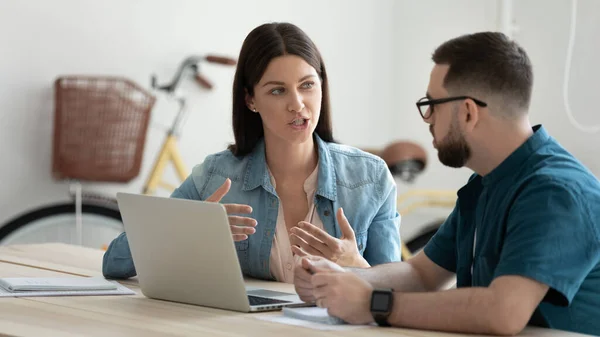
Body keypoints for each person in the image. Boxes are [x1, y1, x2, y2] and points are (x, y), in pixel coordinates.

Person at [293, 32, 600, 336]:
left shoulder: (556, 192)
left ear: (468, 111)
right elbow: (421, 274)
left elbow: (503, 312)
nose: (427, 119)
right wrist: (334, 278)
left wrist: (374, 303)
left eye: (432, 105)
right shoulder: (484, 184)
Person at [102, 22, 401, 283]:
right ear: (250, 100)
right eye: (277, 90)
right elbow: (114, 262)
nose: (297, 104)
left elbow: (396, 291)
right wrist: (188, 231)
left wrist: (357, 266)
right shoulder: (216, 177)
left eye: (307, 85)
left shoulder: (370, 179)